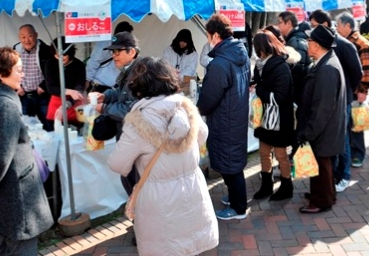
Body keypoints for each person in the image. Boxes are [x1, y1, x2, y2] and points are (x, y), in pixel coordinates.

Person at [107, 57, 219, 255]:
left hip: (158, 200)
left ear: (138, 86)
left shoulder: (138, 121)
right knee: (195, 245)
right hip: (193, 190)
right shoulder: (187, 107)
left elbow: (118, 164)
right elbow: (202, 135)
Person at [0, 47, 53, 255]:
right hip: (14, 195)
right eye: (19, 70)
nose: (22, 74)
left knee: (1, 247)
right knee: (19, 248)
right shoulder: (5, 106)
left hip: (0, 194)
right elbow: (1, 158)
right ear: (1, 74)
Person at [197, 14, 251, 220]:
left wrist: (198, 110)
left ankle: (238, 208)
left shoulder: (219, 63)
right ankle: (236, 198)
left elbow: (209, 97)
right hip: (235, 116)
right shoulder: (240, 53)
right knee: (233, 162)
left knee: (230, 165)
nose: (208, 39)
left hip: (224, 119)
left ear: (216, 35)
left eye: (208, 35)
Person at [310, 9, 362, 192]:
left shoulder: (344, 45)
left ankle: (344, 174)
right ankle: (331, 176)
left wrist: (348, 91)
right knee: (330, 140)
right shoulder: (326, 46)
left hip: (343, 100)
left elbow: (358, 72)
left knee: (343, 139)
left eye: (315, 26)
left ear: (324, 25)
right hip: (330, 99)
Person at [297, 25, 346, 213]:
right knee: (322, 165)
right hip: (326, 126)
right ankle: (325, 195)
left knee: (321, 166)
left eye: (309, 41)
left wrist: (309, 131)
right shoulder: (327, 61)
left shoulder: (327, 68)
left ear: (316, 45)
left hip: (324, 128)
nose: (306, 44)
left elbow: (322, 108)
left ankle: (321, 201)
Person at [92, 31, 141, 195]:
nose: (114, 56)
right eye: (113, 52)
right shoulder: (128, 71)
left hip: (136, 136)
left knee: (135, 180)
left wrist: (104, 109)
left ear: (132, 52)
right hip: (127, 135)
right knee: (128, 177)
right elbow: (120, 93)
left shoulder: (140, 75)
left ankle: (141, 216)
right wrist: (105, 95)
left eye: (118, 51)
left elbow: (131, 109)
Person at [252, 31, 295, 201]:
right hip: (264, 117)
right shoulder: (260, 65)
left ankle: (286, 186)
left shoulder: (280, 67)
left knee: (281, 155)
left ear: (261, 47)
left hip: (279, 118)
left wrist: (259, 90)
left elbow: (279, 97)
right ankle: (266, 185)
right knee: (264, 152)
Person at [335, 12, 369, 168]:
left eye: (338, 25)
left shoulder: (361, 43)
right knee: (348, 123)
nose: (336, 28)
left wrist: (363, 90)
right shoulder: (343, 41)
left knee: (356, 124)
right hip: (346, 89)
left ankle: (358, 154)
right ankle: (350, 152)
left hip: (356, 91)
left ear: (348, 26)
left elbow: (367, 69)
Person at [44, 37, 86, 131]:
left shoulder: (79, 65)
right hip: (56, 101)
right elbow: (50, 88)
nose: (60, 57)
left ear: (70, 52)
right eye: (57, 54)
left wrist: (68, 103)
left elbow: (79, 89)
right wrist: (69, 91)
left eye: (64, 54)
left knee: (75, 134)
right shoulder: (50, 64)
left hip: (74, 102)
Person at [13, 24, 51, 124]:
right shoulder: (15, 51)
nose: (27, 40)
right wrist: (17, 87)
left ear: (36, 35)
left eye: (30, 36)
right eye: (23, 37)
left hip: (42, 95)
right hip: (24, 96)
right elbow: (10, 71)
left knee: (48, 126)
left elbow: (53, 72)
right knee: (25, 127)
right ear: (19, 38)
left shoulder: (46, 50)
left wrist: (44, 86)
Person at [85, 22, 134, 93]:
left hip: (114, 88)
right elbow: (94, 60)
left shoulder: (125, 47)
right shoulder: (105, 43)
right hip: (100, 86)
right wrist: (87, 79)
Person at [277, 11, 311, 103]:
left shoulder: (296, 41)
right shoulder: (290, 40)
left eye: (280, 22)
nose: (278, 25)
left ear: (288, 23)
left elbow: (299, 70)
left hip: (298, 94)